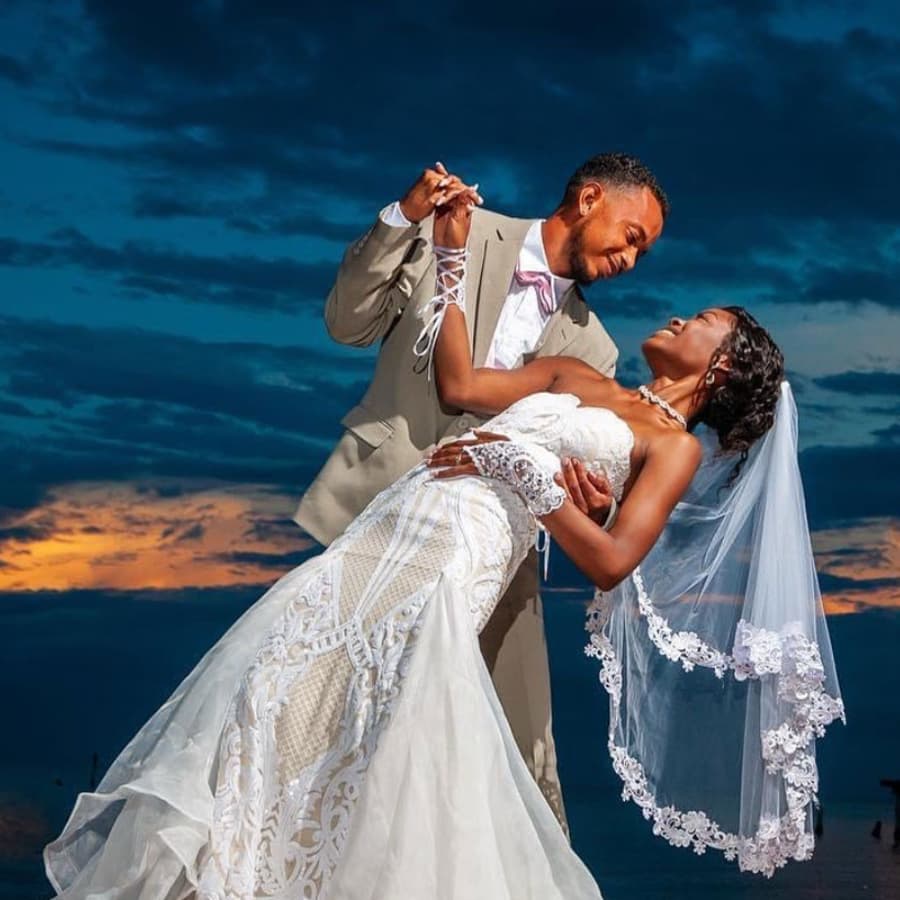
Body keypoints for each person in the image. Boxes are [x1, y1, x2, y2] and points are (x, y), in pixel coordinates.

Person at [44, 184, 818, 898]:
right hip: (388, 523)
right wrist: (448, 262)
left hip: (460, 557)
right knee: (270, 692)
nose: (676, 309)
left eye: (703, 321)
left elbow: (611, 561)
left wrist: (527, 473)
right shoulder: (580, 376)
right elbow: (459, 387)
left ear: (719, 368)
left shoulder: (672, 447)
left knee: (386, 738)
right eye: (635, 239)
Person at [294, 153, 667, 828]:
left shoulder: (597, 351)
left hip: (487, 553)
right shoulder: (457, 227)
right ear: (588, 199)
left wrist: (595, 502)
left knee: (523, 753)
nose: (631, 260)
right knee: (324, 716)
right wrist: (401, 220)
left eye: (643, 252)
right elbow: (347, 324)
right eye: (632, 236)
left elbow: (574, 472)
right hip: (379, 507)